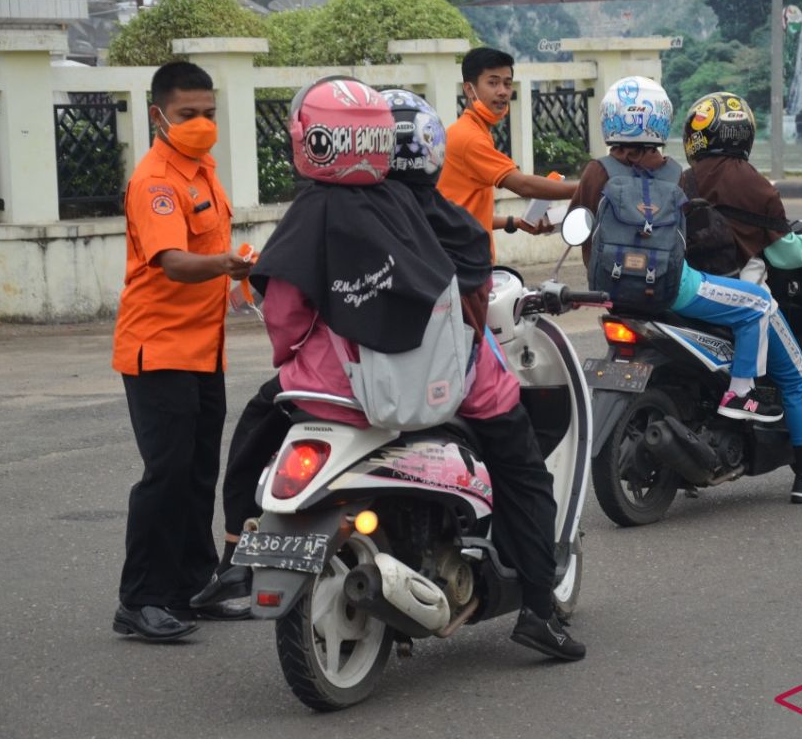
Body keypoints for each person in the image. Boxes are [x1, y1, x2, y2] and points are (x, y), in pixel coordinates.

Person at [195, 79, 585, 660]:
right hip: (438, 383)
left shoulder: (311, 210)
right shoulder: (424, 210)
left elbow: (284, 313)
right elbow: (460, 304)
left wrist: (305, 356)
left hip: (329, 389)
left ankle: (234, 553)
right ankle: (537, 606)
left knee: (259, 422)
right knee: (523, 468)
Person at [571, 76, 802, 502]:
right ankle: (756, 412)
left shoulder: (596, 172)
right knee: (762, 308)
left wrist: (603, 280)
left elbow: (582, 230)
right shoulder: (679, 176)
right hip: (676, 289)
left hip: (613, 294)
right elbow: (699, 241)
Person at [110, 61, 253, 642]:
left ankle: (192, 587)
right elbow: (172, 262)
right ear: (158, 116)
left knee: (198, 472)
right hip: (158, 348)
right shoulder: (156, 181)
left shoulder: (202, 171)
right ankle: (140, 600)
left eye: (209, 113)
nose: (201, 124)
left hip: (203, 348)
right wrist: (227, 265)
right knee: (164, 475)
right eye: (188, 114)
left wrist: (238, 272)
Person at [679, 91, 802, 286]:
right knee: (779, 316)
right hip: (745, 297)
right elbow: (785, 254)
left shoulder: (682, 179)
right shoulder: (756, 185)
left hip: (689, 292)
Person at [437, 46, 578, 261]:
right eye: (492, 83)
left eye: (507, 83)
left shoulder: (471, 131)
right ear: (469, 89)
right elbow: (522, 185)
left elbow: (466, 212)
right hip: (464, 266)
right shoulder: (470, 138)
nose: (502, 91)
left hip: (458, 259)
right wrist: (587, 187)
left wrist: (514, 222)